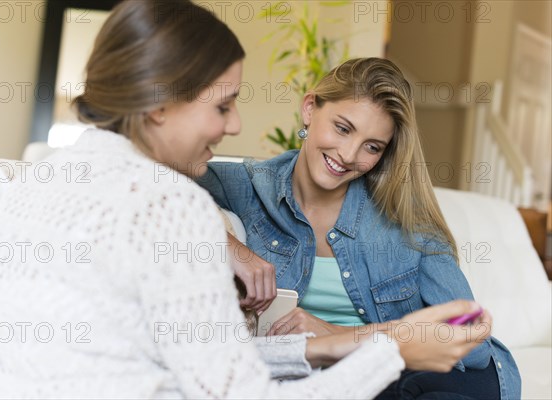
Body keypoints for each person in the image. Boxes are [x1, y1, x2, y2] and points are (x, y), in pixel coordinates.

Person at [0, 2, 492, 399]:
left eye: (373, 145)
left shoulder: (36, 181)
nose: (237, 125)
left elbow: (194, 357)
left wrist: (331, 342)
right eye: (223, 105)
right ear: (157, 105)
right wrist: (391, 348)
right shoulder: (171, 205)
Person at [197, 57, 521, 399]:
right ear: (310, 108)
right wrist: (228, 247)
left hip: (423, 378)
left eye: (372, 147)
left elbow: (472, 342)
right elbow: (142, 181)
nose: (349, 155)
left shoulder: (404, 221)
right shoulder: (247, 187)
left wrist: (336, 335)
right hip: (330, 380)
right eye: (342, 128)